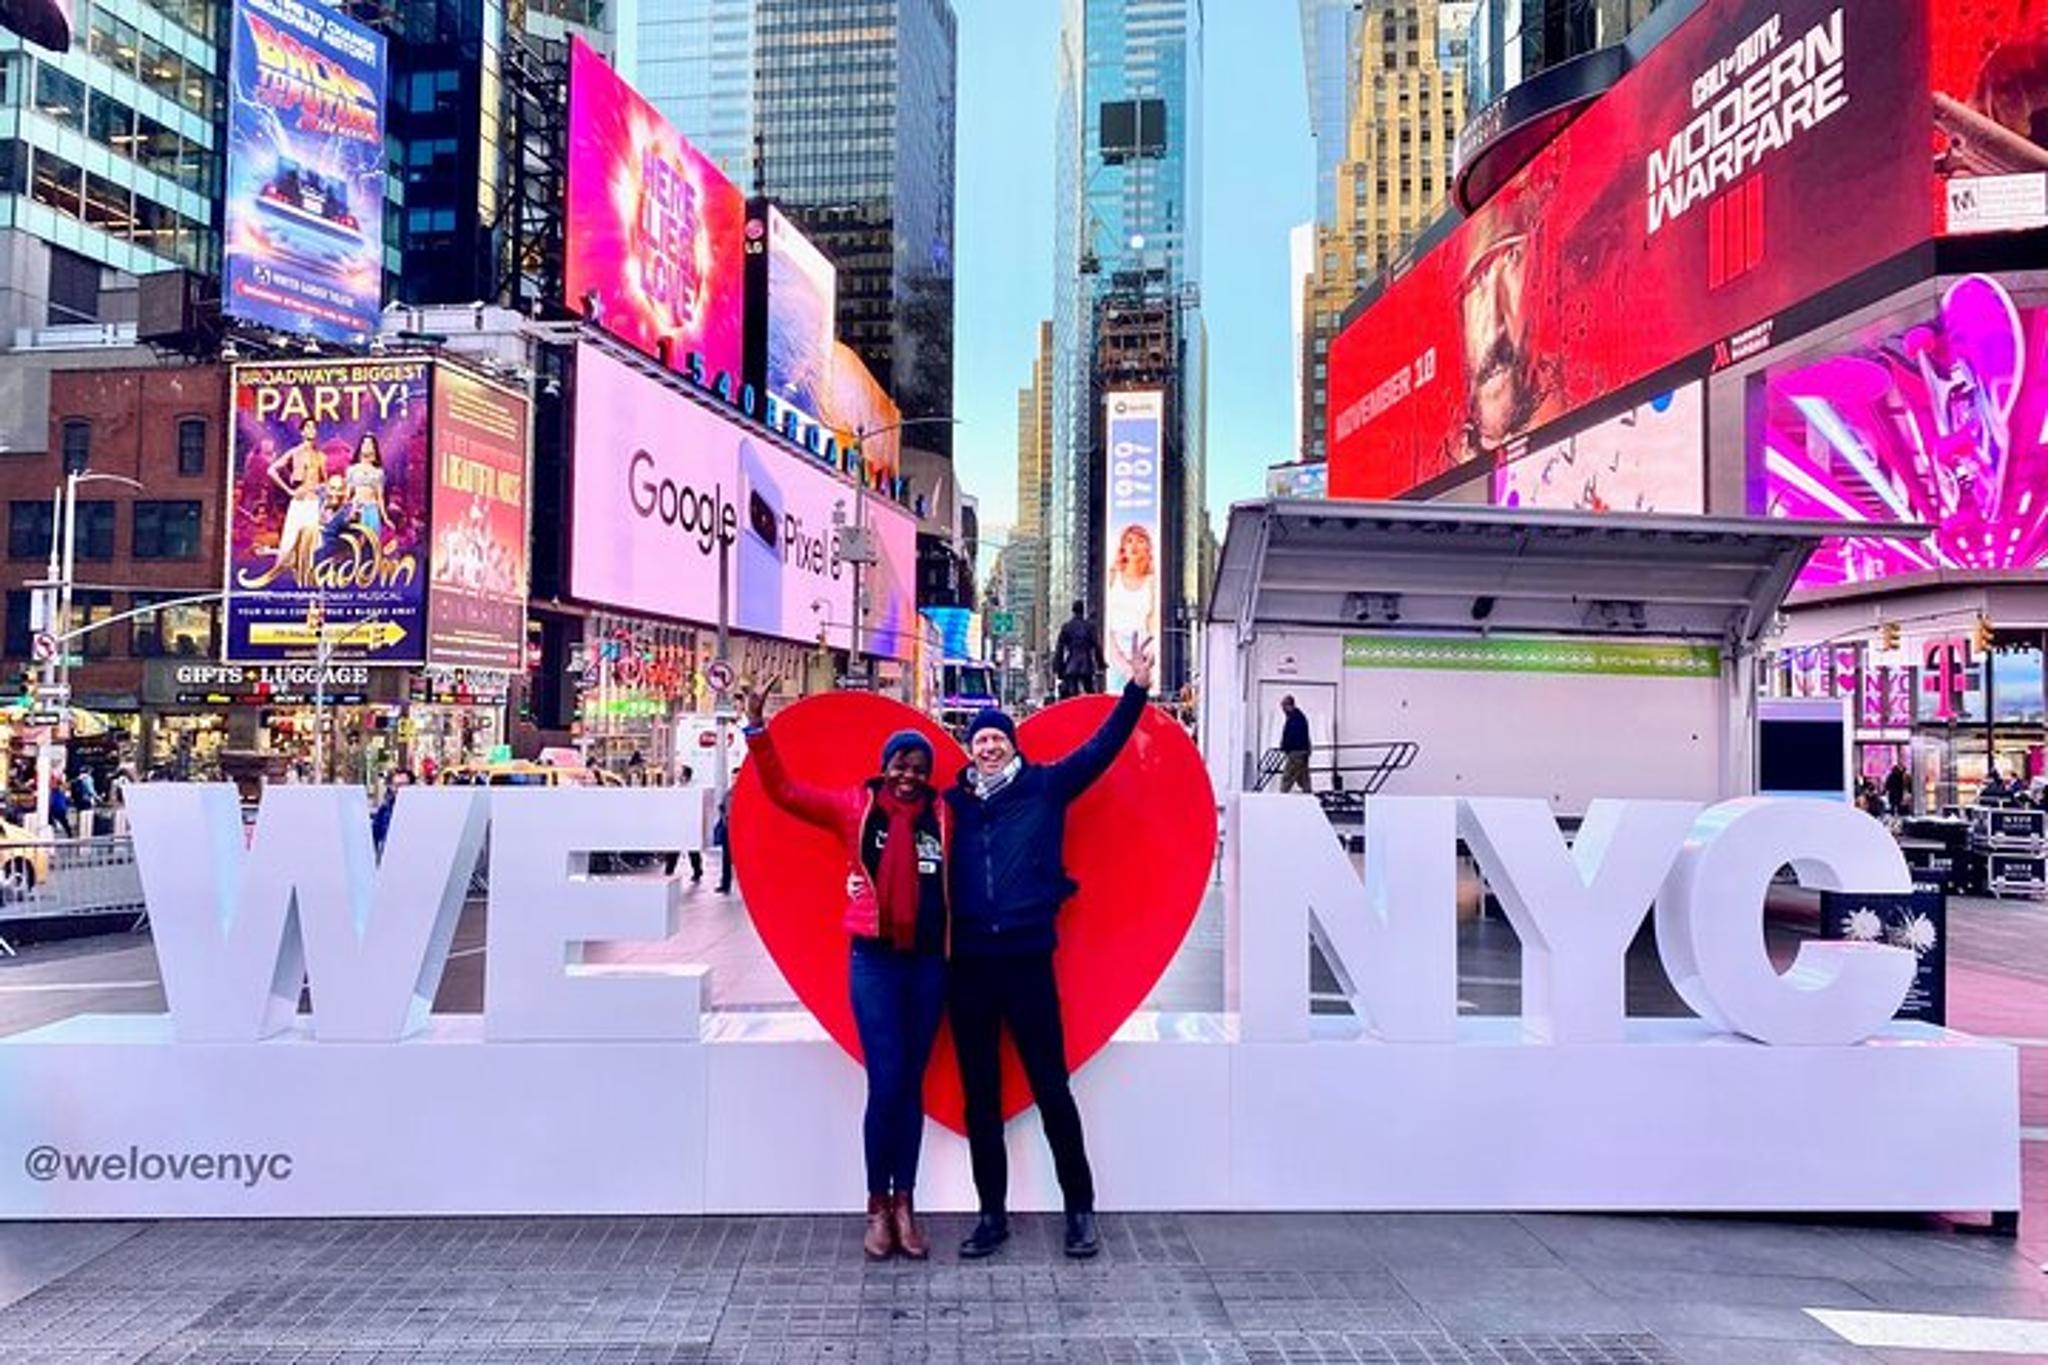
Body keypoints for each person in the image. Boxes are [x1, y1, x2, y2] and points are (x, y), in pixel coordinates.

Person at [947, 640, 1154, 1262]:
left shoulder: (1044, 787)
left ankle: (1080, 1211)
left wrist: (1136, 690)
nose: (988, 746)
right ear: (970, 748)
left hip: (1028, 961)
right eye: (980, 739)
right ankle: (991, 1215)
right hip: (970, 968)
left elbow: (1101, 749)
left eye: (997, 738)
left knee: (1051, 1088)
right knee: (980, 1097)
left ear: (1012, 745)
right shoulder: (953, 804)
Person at [743, 685, 951, 1261]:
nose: (909, 776)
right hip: (875, 962)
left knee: (911, 1085)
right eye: (900, 765)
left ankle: (906, 1204)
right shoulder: (855, 808)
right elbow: (784, 793)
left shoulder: (943, 814)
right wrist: (758, 731)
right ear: (885, 767)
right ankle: (877, 1206)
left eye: (919, 768)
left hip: (928, 964)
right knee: (886, 1083)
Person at [267, 419, 327, 571]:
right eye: (308, 427)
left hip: (314, 501)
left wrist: (322, 491)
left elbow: (324, 481)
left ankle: (310, 568)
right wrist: (289, 490)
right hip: (300, 500)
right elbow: (272, 470)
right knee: (293, 535)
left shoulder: (320, 456)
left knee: (312, 536)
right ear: (302, 432)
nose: (311, 430)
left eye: (314, 428)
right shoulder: (295, 452)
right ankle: (288, 568)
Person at [1104, 526, 1159, 690]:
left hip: (1142, 649)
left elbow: (1153, 620)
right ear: (1123, 547)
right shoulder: (1112, 576)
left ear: (1147, 547)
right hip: (1114, 648)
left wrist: (1149, 654)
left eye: (1140, 541)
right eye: (1129, 541)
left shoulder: (1152, 582)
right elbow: (1105, 618)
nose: (1134, 546)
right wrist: (1117, 656)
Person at [1053, 601, 1104, 700]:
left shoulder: (1067, 627)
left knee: (1072, 695)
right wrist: (1100, 663)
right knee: (1090, 692)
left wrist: (1059, 667)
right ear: (1083, 611)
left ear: (1073, 611)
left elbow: (1060, 648)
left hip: (1072, 664)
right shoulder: (1089, 627)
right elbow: (1096, 646)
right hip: (1087, 663)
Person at [346, 433, 390, 542]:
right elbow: (347, 494)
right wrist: (345, 511)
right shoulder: (352, 469)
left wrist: (385, 518)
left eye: (370, 444)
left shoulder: (378, 472)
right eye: (364, 443)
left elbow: (380, 497)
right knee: (358, 540)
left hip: (372, 508)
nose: (367, 446)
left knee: (373, 540)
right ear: (360, 447)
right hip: (357, 508)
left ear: (374, 449)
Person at [1277, 695, 1313, 794]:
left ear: (1289, 705)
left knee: (1288, 776)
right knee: (1303, 777)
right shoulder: (1298, 717)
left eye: (1284, 707)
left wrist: (1285, 746)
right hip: (1301, 751)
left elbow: (1294, 736)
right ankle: (1308, 795)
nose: (1283, 710)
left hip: (1296, 752)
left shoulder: (1295, 719)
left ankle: (1282, 796)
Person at [677, 764, 706, 883]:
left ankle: (697, 871)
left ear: (685, 775)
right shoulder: (677, 787)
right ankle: (669, 870)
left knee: (693, 849)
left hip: (690, 822)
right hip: (678, 822)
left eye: (679, 773)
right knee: (673, 848)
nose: (677, 775)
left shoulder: (693, 787)